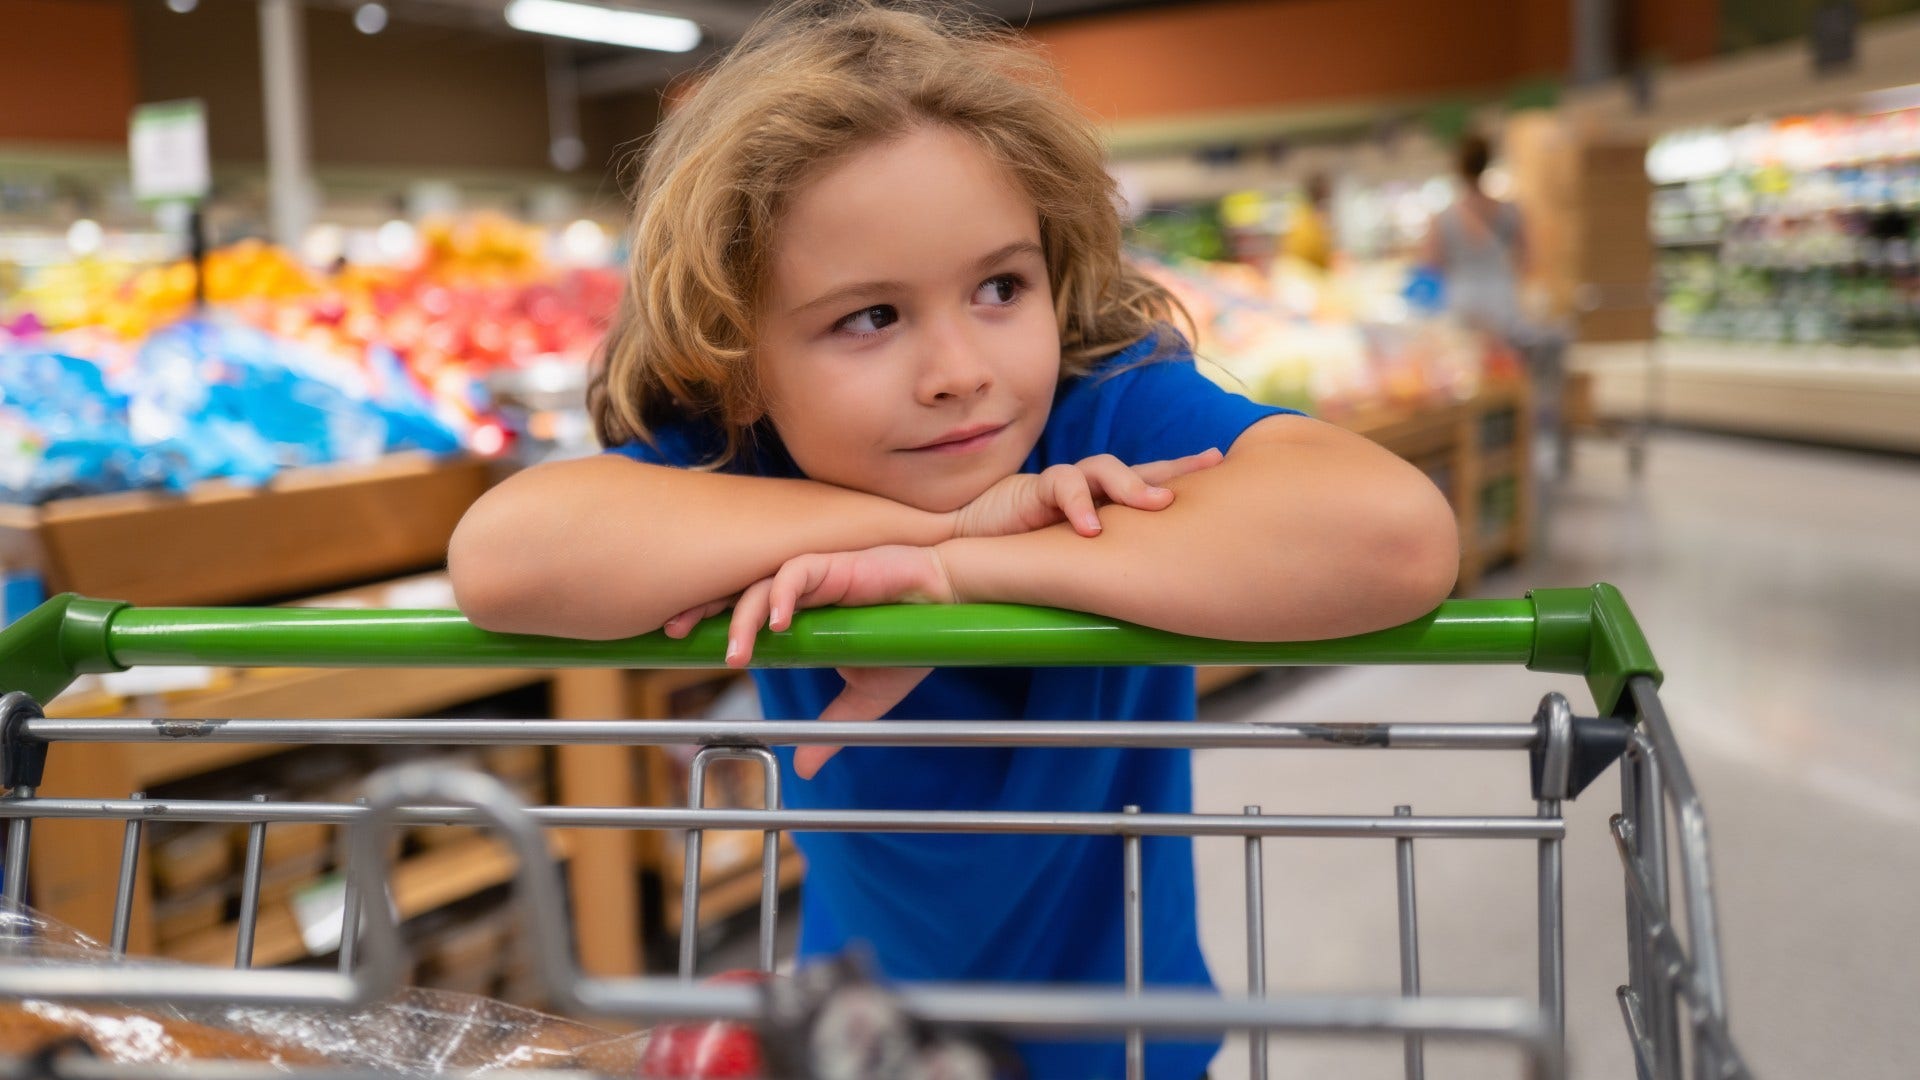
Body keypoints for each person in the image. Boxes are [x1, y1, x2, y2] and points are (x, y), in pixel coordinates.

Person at [448, 3, 1459, 1075]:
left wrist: (950, 569)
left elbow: (1393, 539)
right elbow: (506, 558)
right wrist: (939, 523)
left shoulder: (1101, 411)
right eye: (870, 317)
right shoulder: (740, 449)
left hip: (1121, 1043)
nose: (958, 369)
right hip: (868, 1036)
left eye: (999, 288)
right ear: (739, 362)